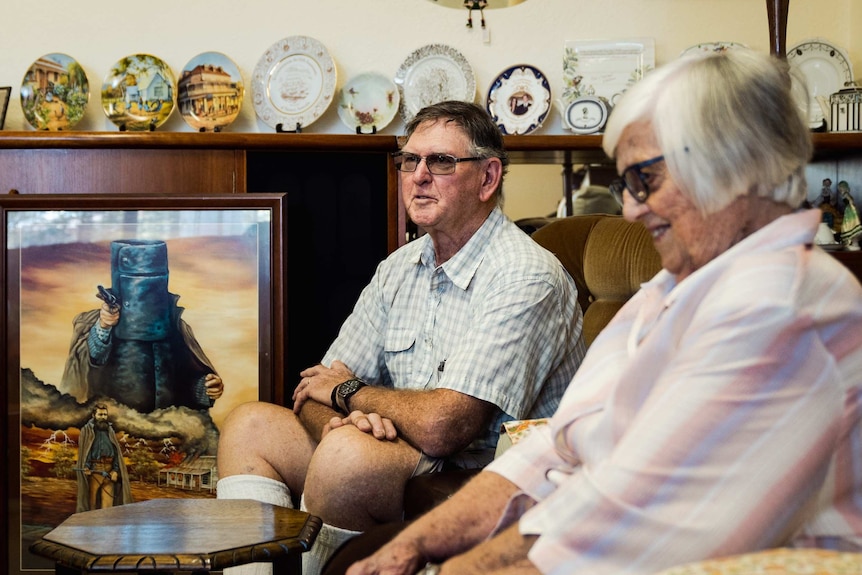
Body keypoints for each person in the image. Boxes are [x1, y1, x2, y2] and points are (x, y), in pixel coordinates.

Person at [345, 49, 862, 575]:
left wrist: (458, 571)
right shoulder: (672, 287)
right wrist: (413, 547)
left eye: (647, 180)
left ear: (733, 166)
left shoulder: (782, 307)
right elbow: (556, 447)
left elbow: (641, 526)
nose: (632, 210)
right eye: (626, 185)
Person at [215, 100, 586, 575]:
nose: (419, 176)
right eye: (410, 160)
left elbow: (444, 427)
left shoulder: (525, 276)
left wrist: (350, 397)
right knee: (249, 425)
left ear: (488, 178)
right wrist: (341, 422)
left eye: (442, 162)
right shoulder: (399, 267)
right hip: (402, 455)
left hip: (491, 474)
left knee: (346, 460)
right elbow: (313, 391)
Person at [61, 239, 224, 413]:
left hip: (167, 429)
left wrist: (205, 388)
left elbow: (185, 381)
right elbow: (93, 360)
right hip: (118, 429)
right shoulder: (104, 325)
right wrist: (104, 326)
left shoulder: (176, 329)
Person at [76, 403, 133, 512]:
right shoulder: (87, 431)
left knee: (107, 508)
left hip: (109, 471)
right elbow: (86, 451)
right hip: (95, 470)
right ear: (94, 415)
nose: (103, 417)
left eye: (105, 415)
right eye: (100, 414)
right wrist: (86, 466)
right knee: (91, 505)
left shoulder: (110, 431)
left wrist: (115, 470)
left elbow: (116, 452)